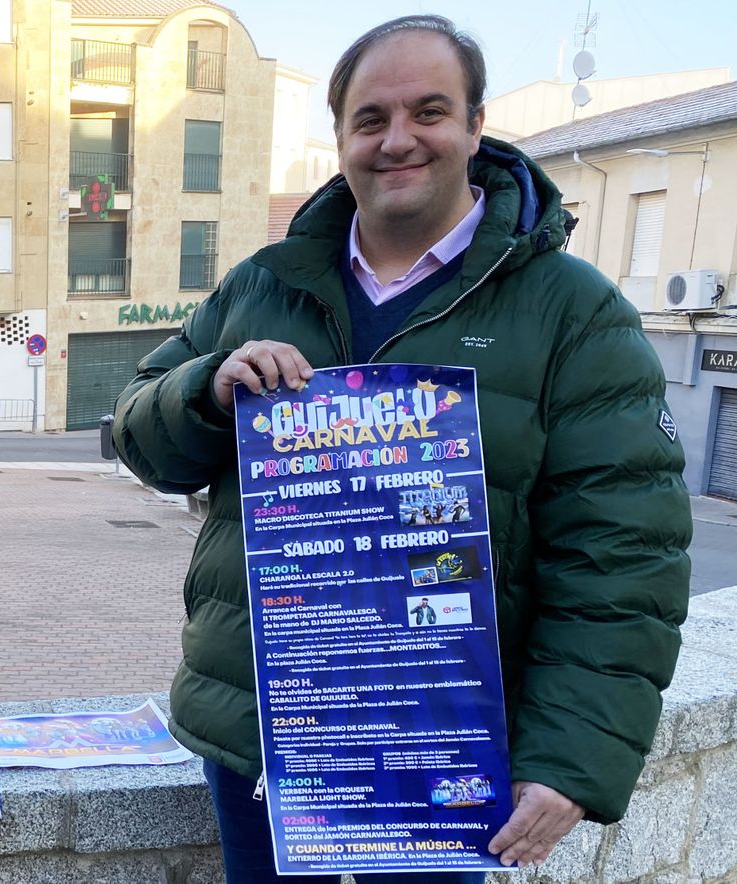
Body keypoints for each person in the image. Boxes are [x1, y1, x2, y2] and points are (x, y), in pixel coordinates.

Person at [112, 14, 691, 883]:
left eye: (429, 111)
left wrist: (571, 762)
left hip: (445, 754)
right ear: (340, 136)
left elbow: (624, 561)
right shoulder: (262, 283)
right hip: (271, 739)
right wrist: (205, 390)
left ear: (474, 126)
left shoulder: (573, 310)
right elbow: (137, 436)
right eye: (371, 119)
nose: (398, 141)